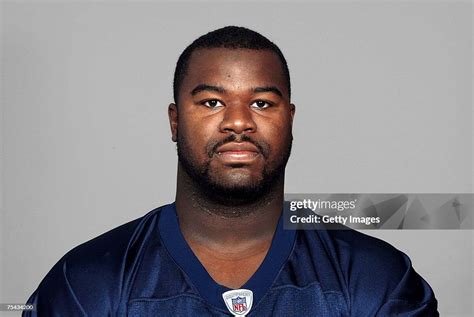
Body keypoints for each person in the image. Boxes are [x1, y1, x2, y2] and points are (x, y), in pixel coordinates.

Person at [24, 26, 438, 316]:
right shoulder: (87, 283)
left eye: (261, 103)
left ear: (289, 119)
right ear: (174, 121)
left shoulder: (375, 280)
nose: (238, 122)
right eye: (210, 102)